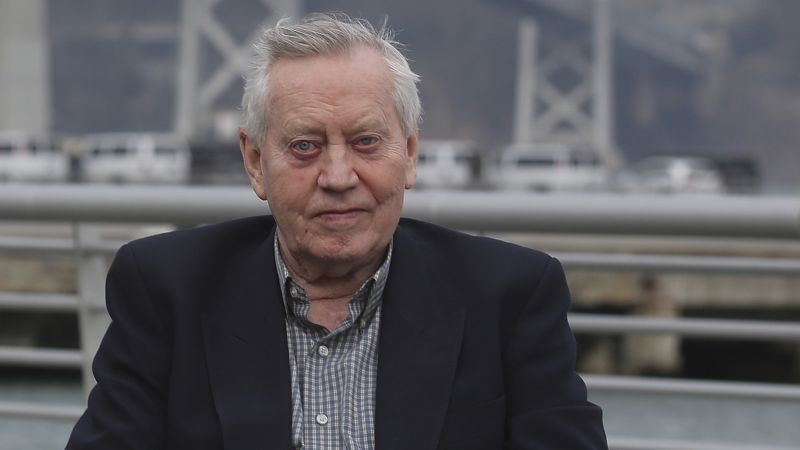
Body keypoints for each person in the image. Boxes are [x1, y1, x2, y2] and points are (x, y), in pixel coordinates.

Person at [66, 13, 607, 450]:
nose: (339, 176)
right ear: (255, 162)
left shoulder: (510, 295)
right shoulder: (165, 288)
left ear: (410, 154)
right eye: (304, 146)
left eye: (367, 142)